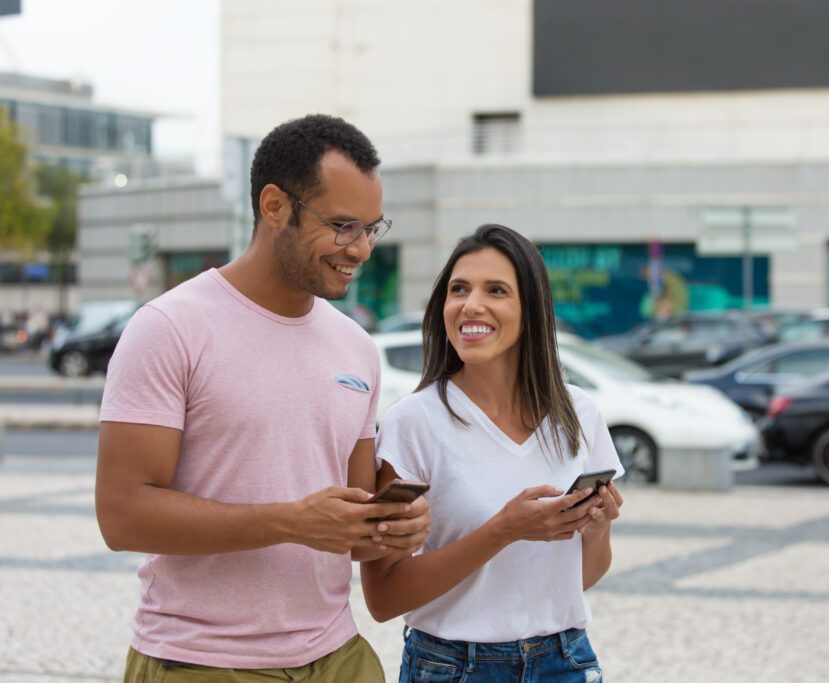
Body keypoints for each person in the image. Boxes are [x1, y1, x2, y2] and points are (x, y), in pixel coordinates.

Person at [95, 114, 430, 682]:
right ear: (275, 206)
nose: (363, 249)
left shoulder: (356, 347)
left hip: (339, 657)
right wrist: (290, 521)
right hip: (203, 661)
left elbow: (347, 518)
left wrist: (393, 525)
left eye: (374, 228)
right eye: (345, 226)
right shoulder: (169, 328)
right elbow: (122, 517)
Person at [363, 224, 625, 682]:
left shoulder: (578, 412)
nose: (470, 305)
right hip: (452, 667)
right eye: (458, 289)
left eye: (496, 290)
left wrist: (598, 530)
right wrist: (504, 530)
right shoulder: (413, 423)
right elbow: (383, 598)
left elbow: (579, 578)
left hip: (565, 661)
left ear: (532, 309)